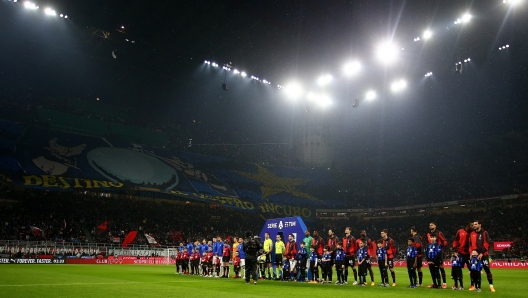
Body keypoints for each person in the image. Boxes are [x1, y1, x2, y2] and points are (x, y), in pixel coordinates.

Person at [469, 220, 495, 292]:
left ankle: (491, 286)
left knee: (487, 270)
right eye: (473, 224)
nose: (474, 225)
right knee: (474, 271)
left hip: (483, 255)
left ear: (480, 225)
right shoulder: (471, 234)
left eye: (476, 224)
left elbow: (487, 244)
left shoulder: (484, 233)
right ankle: (473, 286)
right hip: (474, 255)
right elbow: (470, 245)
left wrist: (481, 253)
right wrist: (471, 252)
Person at [427, 222, 448, 288]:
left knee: (441, 267)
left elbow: (445, 241)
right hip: (431, 253)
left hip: (438, 254)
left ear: (435, 226)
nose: (430, 226)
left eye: (432, 225)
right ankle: (434, 282)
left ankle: (444, 283)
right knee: (432, 269)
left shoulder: (439, 233)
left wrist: (439, 246)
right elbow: (428, 243)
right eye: (429, 225)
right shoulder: (428, 234)